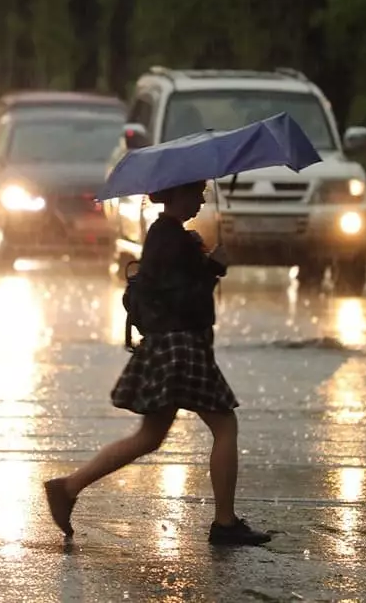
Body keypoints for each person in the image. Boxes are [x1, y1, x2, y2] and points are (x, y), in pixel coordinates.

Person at [42, 180, 272, 546]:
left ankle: (68, 488)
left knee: (149, 437)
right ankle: (225, 523)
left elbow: (176, 290)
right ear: (176, 195)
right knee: (225, 426)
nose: (200, 200)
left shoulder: (168, 236)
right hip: (180, 346)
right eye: (195, 194)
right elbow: (182, 300)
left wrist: (207, 263)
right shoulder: (171, 239)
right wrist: (213, 267)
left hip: (168, 344)